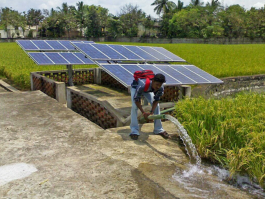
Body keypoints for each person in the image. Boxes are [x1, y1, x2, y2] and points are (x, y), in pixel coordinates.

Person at [130, 73, 169, 140]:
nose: (158, 87)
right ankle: (134, 130)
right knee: (134, 107)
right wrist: (143, 113)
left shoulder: (160, 88)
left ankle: (158, 129)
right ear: (153, 81)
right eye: (157, 84)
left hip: (148, 89)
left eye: (160, 85)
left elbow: (156, 100)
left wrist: (152, 112)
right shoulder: (142, 85)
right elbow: (137, 100)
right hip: (136, 87)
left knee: (157, 106)